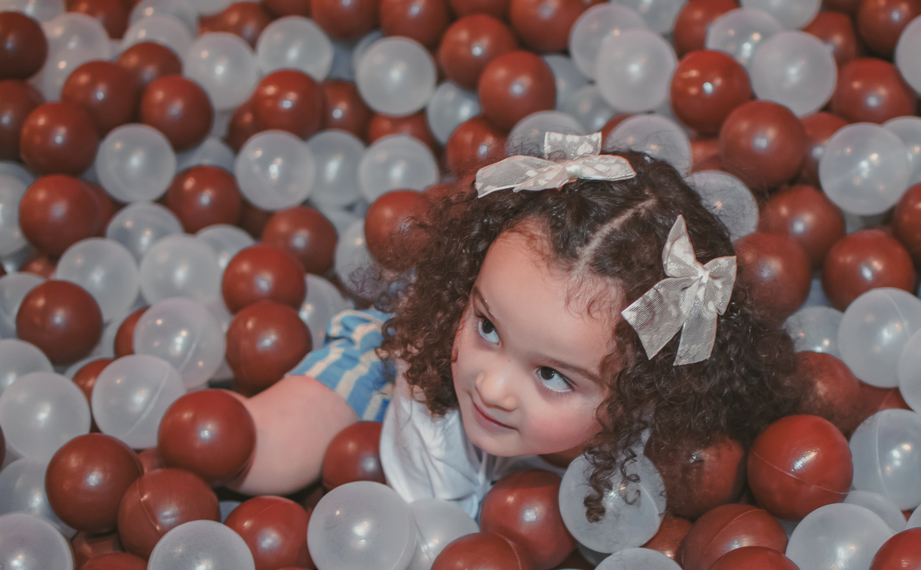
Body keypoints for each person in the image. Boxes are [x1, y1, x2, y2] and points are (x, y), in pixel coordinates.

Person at [234, 134, 799, 520]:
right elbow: (434, 534)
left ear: (638, 394)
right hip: (391, 360)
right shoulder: (432, 403)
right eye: (487, 326)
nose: (492, 386)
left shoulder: (656, 444)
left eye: (553, 376)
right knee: (254, 453)